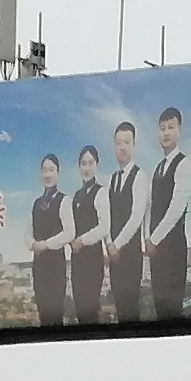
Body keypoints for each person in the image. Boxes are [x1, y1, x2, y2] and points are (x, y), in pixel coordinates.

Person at [139, 104, 191, 323]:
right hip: (156, 251)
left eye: (170, 127)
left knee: (171, 311)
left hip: (172, 248)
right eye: (162, 128)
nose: (166, 133)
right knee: (159, 308)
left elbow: (176, 208)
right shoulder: (158, 168)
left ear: (179, 130)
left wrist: (154, 238)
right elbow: (149, 207)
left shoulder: (184, 164)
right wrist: (146, 238)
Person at [99, 116, 145, 324]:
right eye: (118, 143)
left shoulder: (139, 176)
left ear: (134, 145)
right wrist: (109, 244)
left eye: (127, 142)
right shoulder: (112, 179)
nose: (122, 148)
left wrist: (116, 245)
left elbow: (137, 216)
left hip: (130, 255)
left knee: (130, 308)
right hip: (114, 255)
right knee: (119, 307)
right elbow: (106, 215)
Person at [64, 146, 108, 324]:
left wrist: (82, 241)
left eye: (90, 163)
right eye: (83, 164)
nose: (87, 168)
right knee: (80, 308)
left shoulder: (101, 192)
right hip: (77, 261)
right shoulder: (77, 196)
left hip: (92, 259)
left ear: (96, 165)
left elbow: (104, 226)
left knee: (90, 308)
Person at [27, 155, 71, 325]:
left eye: (51, 170)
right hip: (39, 265)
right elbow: (28, 231)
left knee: (55, 312)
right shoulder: (36, 203)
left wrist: (46, 244)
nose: (48, 174)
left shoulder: (64, 201)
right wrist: (32, 244)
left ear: (58, 173)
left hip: (55, 265)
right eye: (44, 170)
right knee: (43, 312)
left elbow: (70, 232)